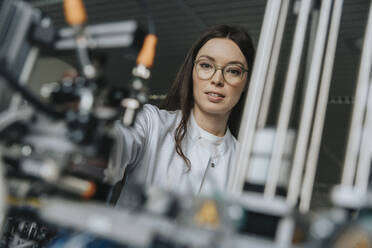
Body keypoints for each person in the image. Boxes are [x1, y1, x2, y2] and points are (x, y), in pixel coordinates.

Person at [104, 24, 255, 205]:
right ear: (192, 71)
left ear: (246, 82)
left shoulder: (245, 164)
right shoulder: (151, 123)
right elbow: (110, 153)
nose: (217, 79)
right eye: (206, 65)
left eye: (233, 71)